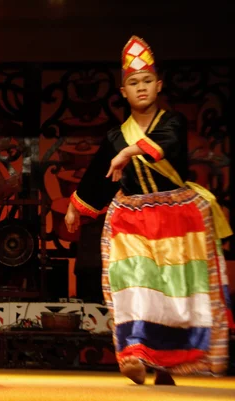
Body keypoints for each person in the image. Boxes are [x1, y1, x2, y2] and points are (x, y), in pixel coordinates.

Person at [65, 36, 234, 385]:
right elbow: (99, 176)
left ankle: (167, 366)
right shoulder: (116, 135)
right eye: (133, 83)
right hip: (133, 221)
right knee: (135, 287)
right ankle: (136, 354)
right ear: (123, 91)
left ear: (158, 85)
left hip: (178, 219)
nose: (140, 88)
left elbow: (167, 146)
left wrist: (128, 153)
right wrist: (74, 207)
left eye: (146, 81)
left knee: (173, 294)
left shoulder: (172, 122)